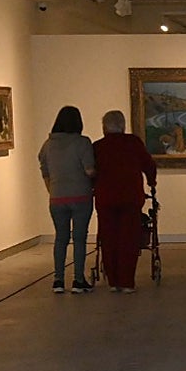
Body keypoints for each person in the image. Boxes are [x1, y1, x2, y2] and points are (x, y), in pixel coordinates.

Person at [93, 110, 158, 293]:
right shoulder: (133, 143)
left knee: (108, 238)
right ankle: (127, 281)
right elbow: (149, 165)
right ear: (123, 126)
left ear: (105, 127)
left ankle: (113, 281)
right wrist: (152, 183)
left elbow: (91, 171)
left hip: (105, 198)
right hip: (130, 198)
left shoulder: (98, 146)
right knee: (128, 239)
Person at [38, 106, 96, 293]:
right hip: (81, 196)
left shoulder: (48, 145)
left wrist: (52, 190)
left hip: (57, 198)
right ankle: (78, 280)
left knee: (60, 239)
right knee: (79, 239)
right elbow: (89, 170)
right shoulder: (82, 143)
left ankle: (58, 280)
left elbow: (44, 171)